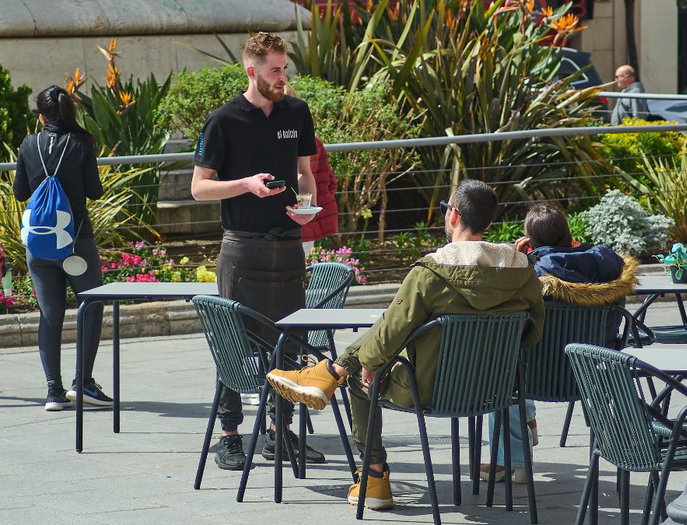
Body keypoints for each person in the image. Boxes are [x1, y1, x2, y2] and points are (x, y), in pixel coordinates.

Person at [266, 179, 545, 511]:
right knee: (377, 346)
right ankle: (328, 372)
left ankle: (373, 476)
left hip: (425, 389)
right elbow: (533, 332)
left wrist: (371, 362)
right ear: (487, 223)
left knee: (360, 376)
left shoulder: (429, 273)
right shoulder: (521, 273)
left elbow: (392, 331)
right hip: (493, 390)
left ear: (453, 216)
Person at [191, 32, 324, 471]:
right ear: (252, 71)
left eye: (284, 69)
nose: (282, 77)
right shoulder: (223, 121)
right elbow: (199, 188)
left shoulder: (297, 112)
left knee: (289, 342)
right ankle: (228, 435)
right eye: (275, 70)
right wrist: (245, 185)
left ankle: (280, 432)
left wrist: (306, 206)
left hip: (288, 246)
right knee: (233, 342)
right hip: (242, 248)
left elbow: (305, 173)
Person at [481, 203, 637, 483]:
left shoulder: (531, 273)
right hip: (593, 372)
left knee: (502, 373)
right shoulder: (606, 265)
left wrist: (517, 260)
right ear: (567, 233)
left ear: (530, 240)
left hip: (537, 375)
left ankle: (514, 461)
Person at [13, 85, 111, 411]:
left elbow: (20, 192)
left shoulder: (29, 144)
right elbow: (95, 192)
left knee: (50, 316)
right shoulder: (82, 143)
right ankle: (82, 383)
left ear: (41, 116)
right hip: (76, 241)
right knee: (92, 306)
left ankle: (53, 392)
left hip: (40, 244)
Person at [283, 85, 339, 257]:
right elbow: (329, 183)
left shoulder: (269, 141)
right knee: (296, 277)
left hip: (274, 227)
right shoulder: (314, 142)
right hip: (307, 221)